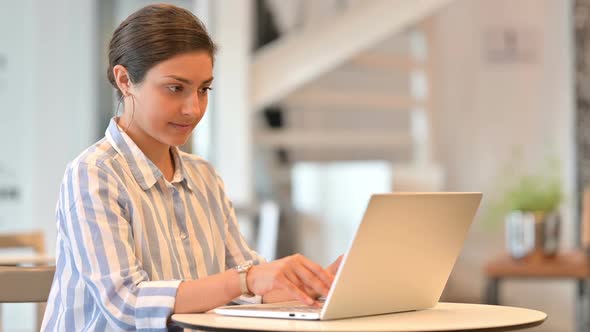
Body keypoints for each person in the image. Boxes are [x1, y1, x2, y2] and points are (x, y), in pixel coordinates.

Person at [41, 4, 341, 331]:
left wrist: (318, 284)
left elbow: (247, 288)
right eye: (175, 88)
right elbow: (126, 302)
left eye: (203, 89)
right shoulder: (94, 173)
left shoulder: (204, 177)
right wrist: (248, 279)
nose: (193, 108)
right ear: (125, 80)